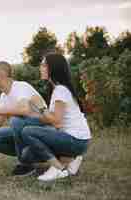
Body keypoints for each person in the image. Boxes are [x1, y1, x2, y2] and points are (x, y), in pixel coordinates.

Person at [17, 53, 91, 181]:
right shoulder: (58, 89)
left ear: (54, 68)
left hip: (76, 140)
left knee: (28, 131)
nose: (40, 68)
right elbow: (51, 118)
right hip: (76, 139)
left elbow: (56, 122)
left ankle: (59, 168)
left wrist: (41, 107)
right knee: (28, 153)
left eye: (44, 65)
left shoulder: (61, 90)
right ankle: (70, 159)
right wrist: (33, 113)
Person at [0, 61, 46, 176]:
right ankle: (29, 155)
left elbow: (25, 110)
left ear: (1, 74)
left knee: (16, 121)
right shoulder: (3, 96)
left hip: (43, 129)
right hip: (25, 131)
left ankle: (26, 164)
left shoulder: (20, 86)